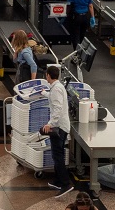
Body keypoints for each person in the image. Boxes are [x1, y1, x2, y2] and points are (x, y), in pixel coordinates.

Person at [42, 66, 74, 198]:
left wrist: (50, 124)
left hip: (59, 127)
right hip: (62, 125)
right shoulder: (57, 87)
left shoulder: (56, 89)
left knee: (57, 155)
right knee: (57, 154)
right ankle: (58, 181)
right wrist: (45, 93)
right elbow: (54, 98)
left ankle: (66, 184)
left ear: (48, 75)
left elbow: (57, 108)